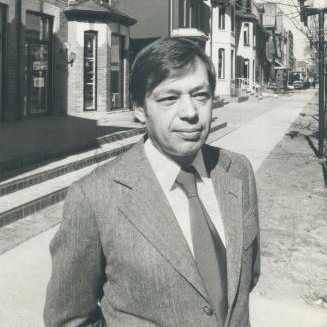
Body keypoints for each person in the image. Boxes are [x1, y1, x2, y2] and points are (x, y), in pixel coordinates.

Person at [44, 37, 260, 327]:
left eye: (200, 95)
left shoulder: (237, 171)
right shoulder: (94, 196)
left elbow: (246, 278)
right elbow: (69, 318)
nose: (190, 113)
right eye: (169, 98)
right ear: (139, 108)